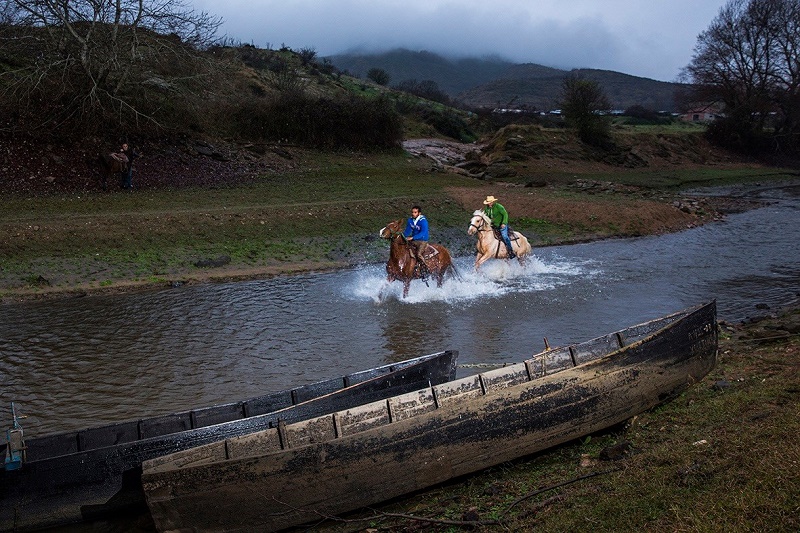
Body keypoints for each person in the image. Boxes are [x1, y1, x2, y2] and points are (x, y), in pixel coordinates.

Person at [403, 205, 430, 277]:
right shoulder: (410, 220)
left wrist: (413, 237)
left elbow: (423, 232)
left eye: (415, 212)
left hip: (422, 240)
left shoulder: (423, 221)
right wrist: (402, 236)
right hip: (414, 239)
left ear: (419, 213)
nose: (413, 214)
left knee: (418, 254)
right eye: (412, 212)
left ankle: (425, 269)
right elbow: (407, 231)